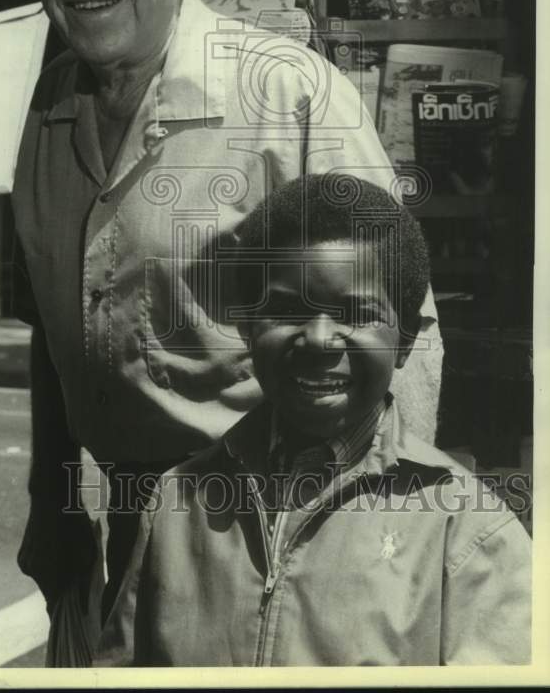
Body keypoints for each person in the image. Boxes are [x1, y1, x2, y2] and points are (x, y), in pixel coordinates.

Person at [0, 0, 444, 660]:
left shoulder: (287, 100)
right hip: (113, 546)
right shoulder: (42, 116)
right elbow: (53, 322)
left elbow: (404, 333)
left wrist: (382, 553)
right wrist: (48, 502)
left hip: (275, 544)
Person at [95, 175, 531, 666]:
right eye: (284, 309)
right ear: (247, 325)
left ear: (405, 339)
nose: (320, 340)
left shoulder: (465, 528)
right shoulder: (179, 501)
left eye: (357, 314)